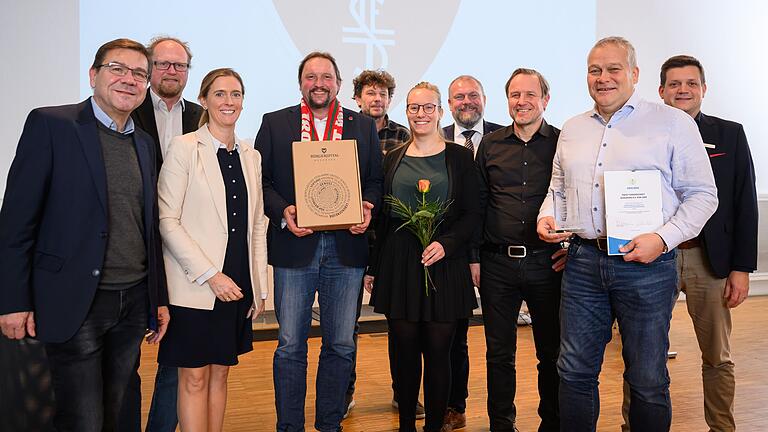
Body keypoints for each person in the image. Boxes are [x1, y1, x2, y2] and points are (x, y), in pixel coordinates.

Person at [536, 36, 718, 432]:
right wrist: (547, 216)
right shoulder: (573, 128)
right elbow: (558, 188)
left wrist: (663, 238)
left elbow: (704, 195)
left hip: (648, 269)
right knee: (574, 372)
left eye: (613, 69)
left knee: (648, 379)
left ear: (634, 74)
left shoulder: (672, 123)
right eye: (595, 70)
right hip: (583, 263)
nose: (603, 78)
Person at [0, 38, 169, 432]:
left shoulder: (144, 144)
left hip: (132, 300)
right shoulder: (51, 124)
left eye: (139, 74)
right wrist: (12, 301)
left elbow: (148, 228)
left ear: (146, 86)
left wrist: (156, 298)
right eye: (117, 69)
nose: (129, 79)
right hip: (74, 300)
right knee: (83, 418)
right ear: (94, 75)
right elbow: (16, 221)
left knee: (122, 408)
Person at [255, 51, 383, 432]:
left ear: (339, 84)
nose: (319, 83)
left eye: (326, 77)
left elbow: (374, 180)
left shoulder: (362, 125)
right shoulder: (275, 123)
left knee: (341, 344)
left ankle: (330, 424)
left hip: (346, 248)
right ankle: (289, 426)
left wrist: (368, 206)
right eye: (311, 76)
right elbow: (260, 182)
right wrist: (284, 211)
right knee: (291, 344)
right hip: (296, 247)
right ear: (300, 84)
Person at [156, 67, 268, 431]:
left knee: (221, 374)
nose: (229, 101)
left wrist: (258, 287)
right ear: (204, 100)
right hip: (195, 287)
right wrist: (211, 275)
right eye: (220, 94)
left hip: (236, 284)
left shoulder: (251, 155)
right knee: (194, 378)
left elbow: (256, 226)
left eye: (236, 94)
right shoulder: (185, 148)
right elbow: (167, 222)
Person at [366, 81, 481, 432]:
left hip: (444, 261)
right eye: (415, 108)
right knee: (403, 352)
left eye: (428, 107)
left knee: (438, 352)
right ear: (407, 112)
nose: (421, 114)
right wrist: (373, 267)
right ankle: (405, 426)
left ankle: (433, 426)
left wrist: (447, 243)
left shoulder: (460, 157)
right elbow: (384, 218)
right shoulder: (393, 158)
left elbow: (474, 213)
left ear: (440, 112)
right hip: (399, 262)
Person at [122, 35, 203, 432]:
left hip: (184, 251)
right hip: (134, 245)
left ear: (189, 71)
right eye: (164, 64)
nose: (172, 71)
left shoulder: (203, 116)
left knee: (176, 354)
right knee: (126, 357)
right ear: (149, 68)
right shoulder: (126, 108)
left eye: (180, 65)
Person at [475, 68, 564, 432]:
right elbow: (478, 204)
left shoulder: (563, 142)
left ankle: (552, 424)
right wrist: (472, 259)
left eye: (530, 95)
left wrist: (572, 247)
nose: (522, 102)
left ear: (545, 99)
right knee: (499, 354)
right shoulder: (491, 144)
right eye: (515, 95)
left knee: (551, 353)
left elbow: (573, 199)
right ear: (507, 100)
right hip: (497, 264)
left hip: (548, 263)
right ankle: (502, 424)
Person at [346, 69, 415, 418]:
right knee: (346, 324)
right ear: (357, 97)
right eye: (370, 93)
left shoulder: (403, 135)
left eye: (383, 94)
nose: (377, 99)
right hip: (349, 238)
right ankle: (344, 392)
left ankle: (404, 392)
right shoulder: (343, 131)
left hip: (390, 239)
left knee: (399, 322)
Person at [441, 74, 502, 429]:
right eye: (459, 97)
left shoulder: (505, 137)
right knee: (454, 336)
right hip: (453, 254)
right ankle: (454, 405)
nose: (467, 102)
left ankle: (500, 416)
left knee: (499, 343)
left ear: (484, 98)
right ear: (449, 105)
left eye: (473, 95)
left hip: (495, 250)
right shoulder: (435, 139)